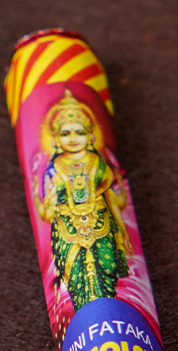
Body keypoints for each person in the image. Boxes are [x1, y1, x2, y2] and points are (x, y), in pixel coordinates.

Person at [36, 89, 130, 309]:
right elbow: (48, 213)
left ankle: (110, 314)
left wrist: (122, 231)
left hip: (102, 228)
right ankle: (86, 318)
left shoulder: (99, 164)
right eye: (65, 133)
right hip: (67, 232)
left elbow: (114, 200)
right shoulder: (54, 169)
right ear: (56, 138)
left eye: (79, 132)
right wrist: (42, 200)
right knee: (77, 283)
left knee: (106, 274)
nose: (73, 138)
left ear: (90, 136)